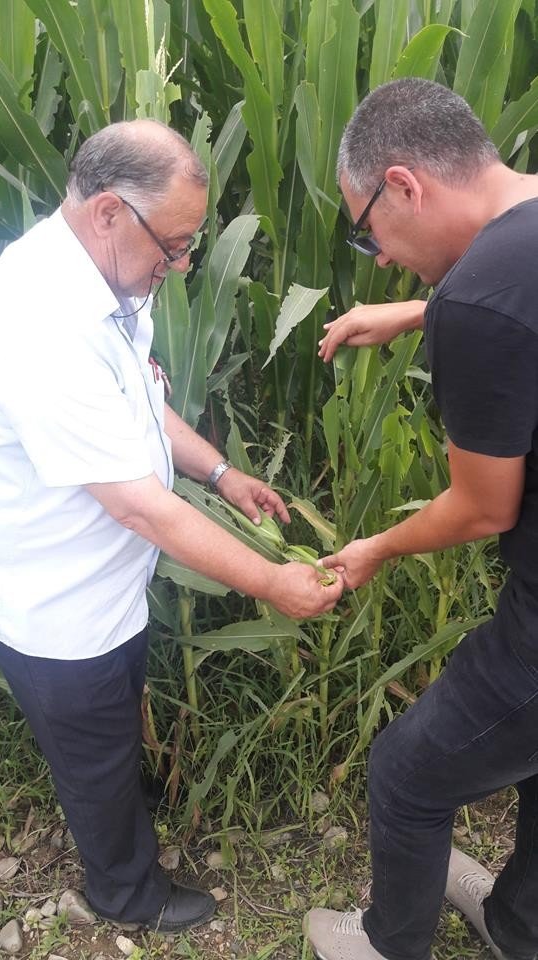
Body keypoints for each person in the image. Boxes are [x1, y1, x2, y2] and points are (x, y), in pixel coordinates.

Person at [0, 119, 343, 934]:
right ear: (109, 212)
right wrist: (272, 582)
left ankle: (126, 816)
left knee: (111, 735)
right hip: (59, 607)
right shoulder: (40, 321)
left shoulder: (112, 281)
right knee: (92, 759)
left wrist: (221, 472)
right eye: (176, 245)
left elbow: (143, 402)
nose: (182, 264)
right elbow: (137, 505)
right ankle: (127, 894)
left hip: (109, 586)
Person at [303, 78, 538, 960]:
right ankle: (519, 928)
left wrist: (375, 546)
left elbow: (483, 507)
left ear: (403, 185)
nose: (379, 259)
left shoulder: (478, 302)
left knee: (407, 771)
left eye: (369, 231)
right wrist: (421, 310)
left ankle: (385, 946)